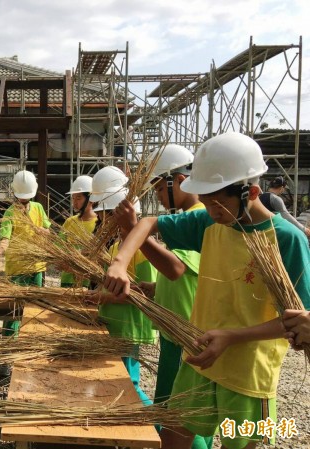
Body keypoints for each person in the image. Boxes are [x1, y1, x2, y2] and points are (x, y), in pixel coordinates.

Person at [103, 132, 310, 449]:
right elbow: (147, 223)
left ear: (251, 192)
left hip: (247, 373)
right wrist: (119, 263)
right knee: (173, 436)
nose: (209, 208)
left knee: (236, 444)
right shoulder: (211, 223)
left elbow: (297, 320)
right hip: (200, 357)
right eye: (205, 199)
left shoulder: (285, 240)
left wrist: (231, 336)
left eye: (217, 201)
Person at [118, 144, 212, 449]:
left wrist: (133, 229)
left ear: (179, 181)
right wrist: (155, 289)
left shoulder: (200, 217)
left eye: (159, 187)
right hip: (176, 332)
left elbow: (175, 268)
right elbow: (192, 276)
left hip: (190, 335)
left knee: (184, 419)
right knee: (170, 411)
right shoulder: (188, 216)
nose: (157, 196)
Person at [89, 186, 156, 406]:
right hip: (115, 324)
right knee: (118, 383)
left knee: (129, 385)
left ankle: (160, 428)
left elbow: (143, 294)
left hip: (129, 328)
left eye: (104, 216)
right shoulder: (118, 246)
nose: (101, 222)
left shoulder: (141, 249)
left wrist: (101, 298)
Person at [0, 170, 51, 377]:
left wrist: (37, 229)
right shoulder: (9, 213)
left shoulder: (39, 208)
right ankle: (7, 358)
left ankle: (30, 355)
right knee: (12, 313)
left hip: (36, 266)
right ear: (16, 194)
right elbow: (5, 236)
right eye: (21, 196)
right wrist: (0, 249)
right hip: (16, 267)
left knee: (35, 312)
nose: (24, 199)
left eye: (28, 196)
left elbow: (48, 231)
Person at [59, 175, 97, 287]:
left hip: (89, 283)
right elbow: (59, 247)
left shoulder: (99, 224)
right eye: (73, 198)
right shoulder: (70, 222)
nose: (74, 202)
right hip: (67, 281)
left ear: (91, 199)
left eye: (78, 198)